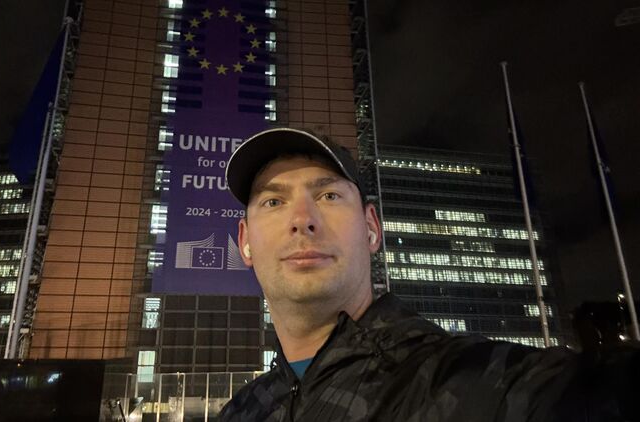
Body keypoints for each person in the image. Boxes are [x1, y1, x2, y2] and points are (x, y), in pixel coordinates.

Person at [219, 127, 640, 421]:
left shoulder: (474, 383)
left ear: (371, 228)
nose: (302, 219)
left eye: (328, 195)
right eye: (273, 202)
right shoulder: (242, 411)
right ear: (245, 242)